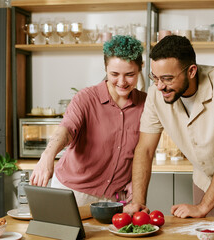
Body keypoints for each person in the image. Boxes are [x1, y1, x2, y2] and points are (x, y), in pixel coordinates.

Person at [124, 35, 214, 218]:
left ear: (192, 71)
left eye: (167, 78)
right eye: (155, 77)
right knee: (207, 235)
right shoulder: (156, 93)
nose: (160, 86)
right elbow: (145, 149)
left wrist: (202, 207)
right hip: (205, 177)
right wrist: (138, 201)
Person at [30, 35, 147, 218]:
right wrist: (47, 155)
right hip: (74, 193)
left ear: (140, 69)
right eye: (114, 74)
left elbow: (143, 151)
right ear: (106, 69)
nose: (122, 82)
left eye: (129, 74)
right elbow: (67, 129)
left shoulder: (145, 104)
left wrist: (134, 182)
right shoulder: (86, 98)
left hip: (115, 198)